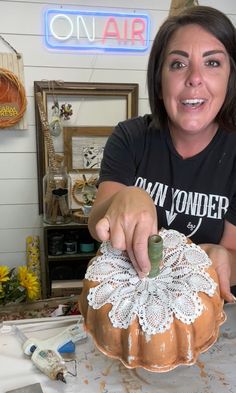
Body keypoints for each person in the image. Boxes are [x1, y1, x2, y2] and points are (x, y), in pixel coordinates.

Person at [88, 5, 236, 303]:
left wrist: (226, 260)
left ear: (231, 79)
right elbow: (96, 223)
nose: (195, 78)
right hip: (131, 304)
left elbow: (233, 251)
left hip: (208, 311)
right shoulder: (131, 137)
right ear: (159, 81)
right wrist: (125, 197)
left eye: (213, 63)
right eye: (178, 64)